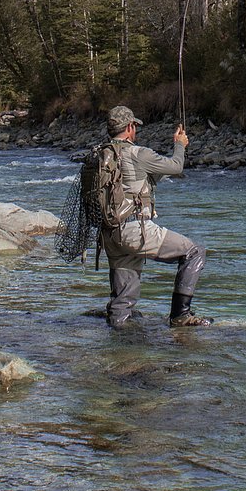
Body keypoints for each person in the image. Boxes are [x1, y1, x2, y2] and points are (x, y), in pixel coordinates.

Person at [100, 105, 212, 329]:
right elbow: (176, 166)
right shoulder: (138, 153)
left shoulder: (101, 154)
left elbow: (139, 183)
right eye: (135, 127)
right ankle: (180, 315)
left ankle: (118, 346)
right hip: (135, 230)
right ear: (130, 127)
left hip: (109, 232)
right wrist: (179, 145)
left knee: (122, 306)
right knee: (193, 251)